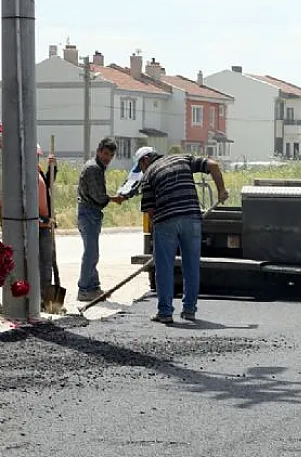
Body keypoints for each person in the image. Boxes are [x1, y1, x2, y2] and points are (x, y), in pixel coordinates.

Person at [134, 146, 228, 324]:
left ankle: (165, 312)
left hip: (166, 221)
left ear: (145, 160)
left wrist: (161, 224)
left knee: (164, 268)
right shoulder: (182, 159)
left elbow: (150, 210)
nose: (142, 170)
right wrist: (221, 190)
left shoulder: (149, 175)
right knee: (191, 266)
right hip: (192, 219)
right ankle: (189, 310)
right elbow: (214, 165)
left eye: (141, 166)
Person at [76, 137, 124, 302]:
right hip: (89, 213)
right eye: (105, 153)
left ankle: (93, 287)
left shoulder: (97, 167)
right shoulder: (94, 169)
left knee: (92, 251)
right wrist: (113, 199)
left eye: (110, 155)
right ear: (98, 151)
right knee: (91, 253)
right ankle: (84, 289)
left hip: (89, 213)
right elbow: (98, 197)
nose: (107, 158)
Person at [37, 145, 58, 306]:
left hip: (44, 226)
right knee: (38, 264)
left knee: (47, 263)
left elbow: (49, 185)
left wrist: (53, 168)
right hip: (36, 226)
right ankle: (38, 299)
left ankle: (47, 300)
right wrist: (43, 220)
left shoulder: (38, 173)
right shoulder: (25, 175)